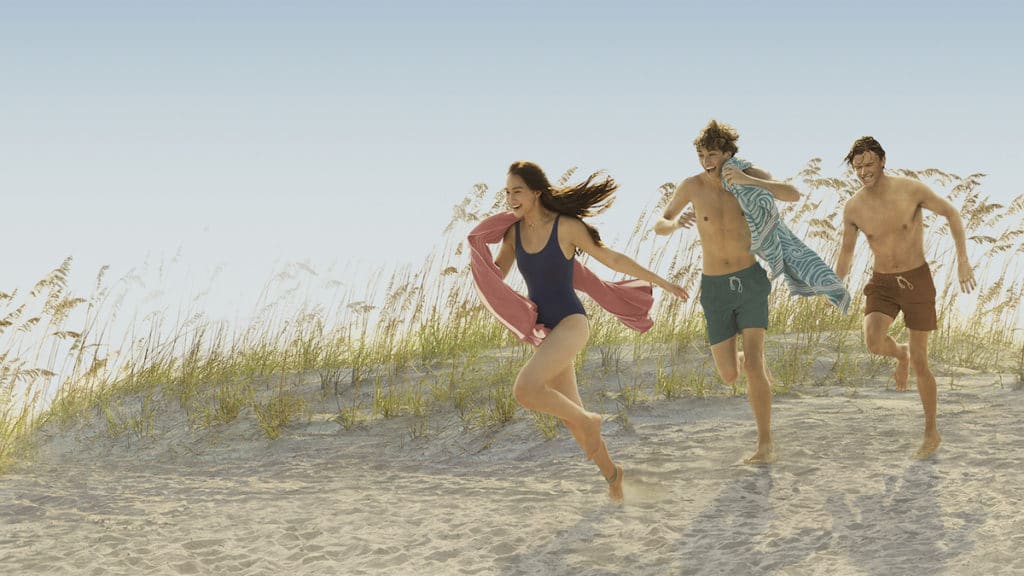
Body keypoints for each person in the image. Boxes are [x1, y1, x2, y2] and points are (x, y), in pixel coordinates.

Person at [477, 160, 688, 501]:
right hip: (546, 332)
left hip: (572, 324)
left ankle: (592, 420)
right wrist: (475, 255)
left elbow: (613, 259)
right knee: (573, 419)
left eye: (517, 191)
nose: (511, 198)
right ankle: (614, 477)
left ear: (536, 192)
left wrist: (662, 281)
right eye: (507, 193)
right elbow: (496, 273)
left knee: (526, 389)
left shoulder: (566, 227)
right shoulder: (513, 234)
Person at [653, 120, 803, 464]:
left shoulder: (747, 175)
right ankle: (753, 368)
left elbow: (793, 194)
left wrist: (749, 180)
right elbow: (661, 223)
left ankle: (765, 445)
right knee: (730, 374)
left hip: (749, 280)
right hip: (715, 286)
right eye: (702, 155)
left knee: (753, 362)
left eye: (714, 154)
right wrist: (676, 224)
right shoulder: (691, 186)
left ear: (729, 153)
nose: (708, 161)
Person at [835, 136, 976, 459]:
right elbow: (846, 253)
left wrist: (963, 260)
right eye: (858, 167)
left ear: (883, 160)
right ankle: (900, 355)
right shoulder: (853, 207)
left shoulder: (911, 190)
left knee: (922, 362)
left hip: (916, 280)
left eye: (869, 164)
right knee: (872, 340)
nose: (864, 171)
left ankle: (930, 431)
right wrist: (835, 285)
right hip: (882, 282)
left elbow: (952, 214)